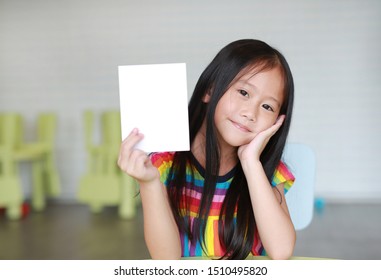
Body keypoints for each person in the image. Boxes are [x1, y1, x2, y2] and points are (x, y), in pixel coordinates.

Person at [118, 39, 296, 260]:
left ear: (277, 121)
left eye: (267, 106)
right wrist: (149, 183)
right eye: (243, 92)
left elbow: (281, 251)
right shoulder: (164, 166)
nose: (251, 113)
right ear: (210, 90)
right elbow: (166, 261)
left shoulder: (265, 170)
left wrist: (250, 162)